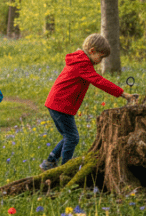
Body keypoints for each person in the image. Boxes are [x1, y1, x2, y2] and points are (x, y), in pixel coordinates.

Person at [40, 33, 137, 171]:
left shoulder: (80, 61)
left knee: (68, 136)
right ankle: (65, 168)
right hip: (60, 105)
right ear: (92, 51)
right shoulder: (82, 64)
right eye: (101, 57)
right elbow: (99, 81)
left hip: (57, 104)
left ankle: (49, 162)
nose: (101, 60)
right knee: (72, 137)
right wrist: (124, 94)